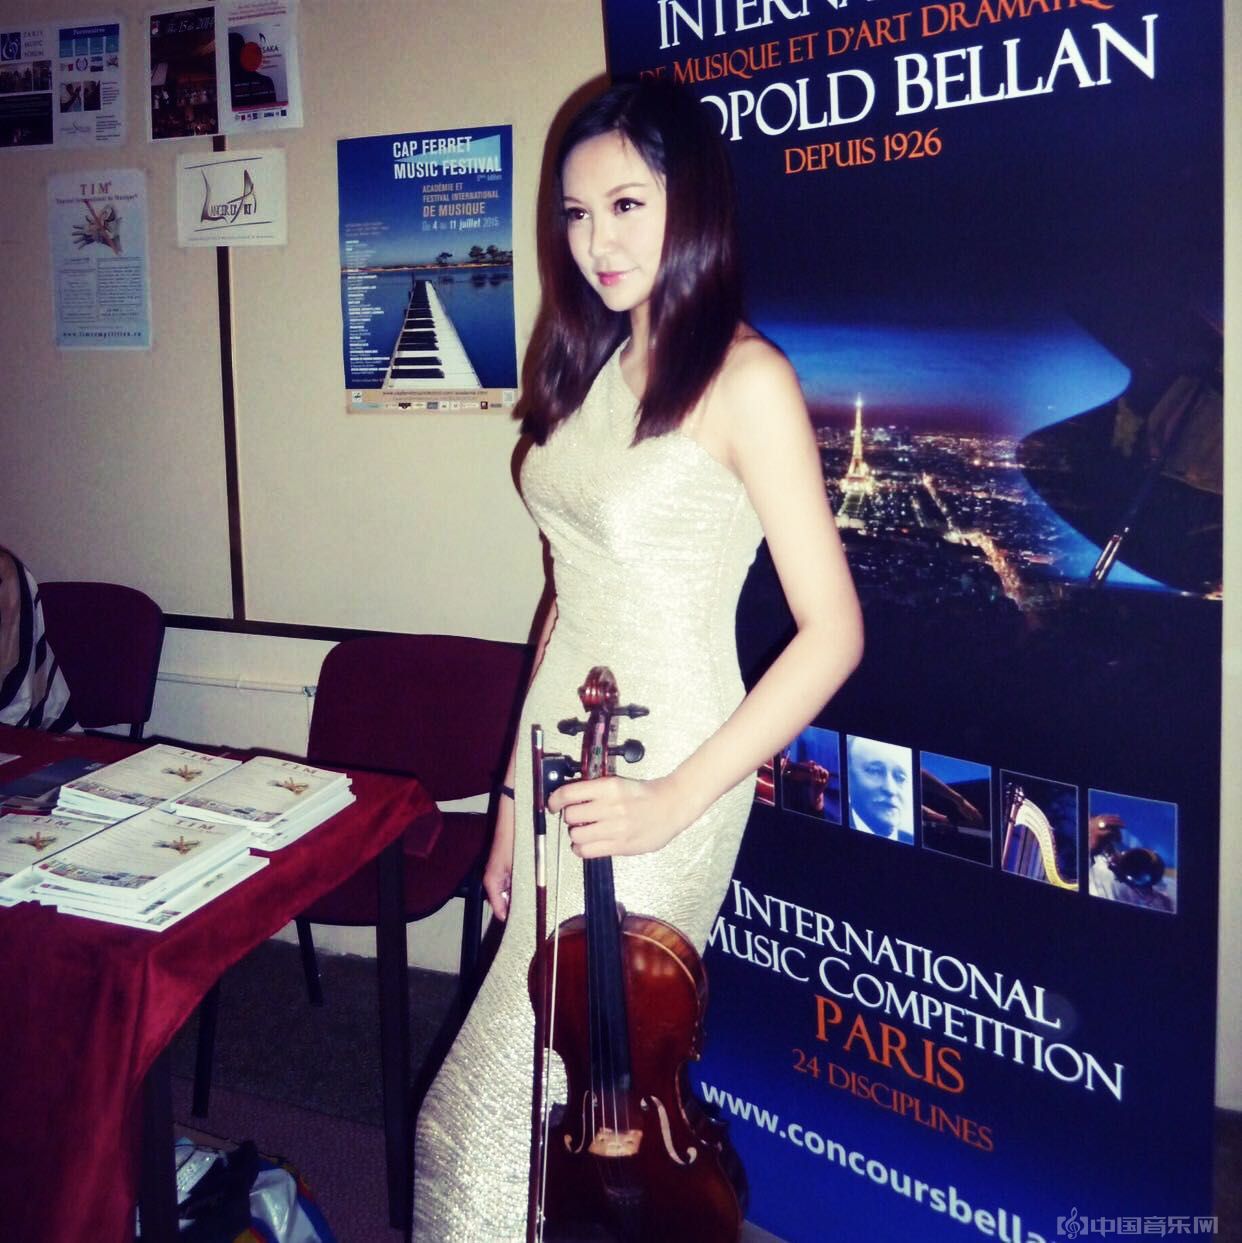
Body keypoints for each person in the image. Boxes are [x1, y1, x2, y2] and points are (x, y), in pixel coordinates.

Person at [412, 77, 863, 1240]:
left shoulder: (748, 380)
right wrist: (510, 801)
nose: (595, 241)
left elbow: (834, 632)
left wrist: (670, 800)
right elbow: (565, 602)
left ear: (692, 203)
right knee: (553, 1113)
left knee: (486, 1119)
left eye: (625, 205)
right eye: (575, 213)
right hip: (561, 760)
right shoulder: (595, 361)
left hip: (671, 774)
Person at [846, 734, 914, 844]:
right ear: (849, 776)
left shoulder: (911, 841)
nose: (890, 789)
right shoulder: (829, 821)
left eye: (900, 778)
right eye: (875, 771)